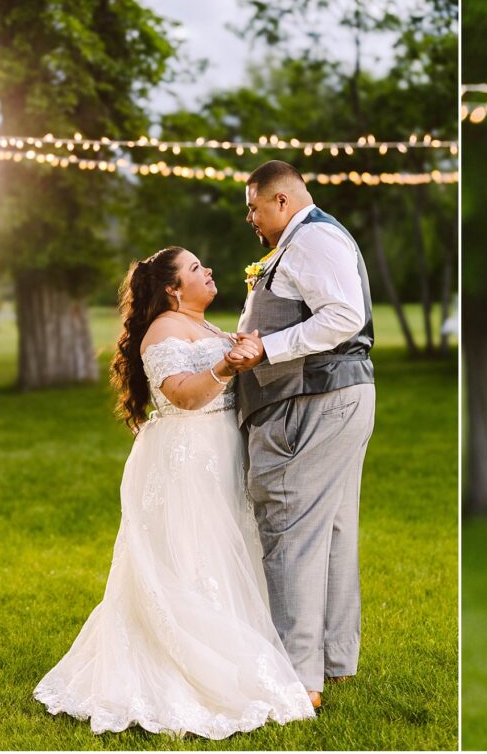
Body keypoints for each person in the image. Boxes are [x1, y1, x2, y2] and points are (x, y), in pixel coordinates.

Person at [34, 246, 317, 738]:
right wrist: (227, 366)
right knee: (189, 558)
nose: (207, 270)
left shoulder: (205, 326)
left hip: (218, 452)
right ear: (171, 288)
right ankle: (192, 666)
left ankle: (236, 648)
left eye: (203, 264)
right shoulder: (163, 330)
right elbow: (183, 395)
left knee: (222, 553)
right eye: (193, 269)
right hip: (186, 458)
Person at [227, 160, 375, 711]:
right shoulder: (309, 240)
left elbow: (343, 316)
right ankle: (333, 661)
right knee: (331, 531)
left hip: (310, 403)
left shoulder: (311, 239)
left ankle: (296, 681)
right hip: (334, 399)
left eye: (253, 206)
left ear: (281, 202)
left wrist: (265, 349)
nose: (250, 217)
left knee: (290, 530)